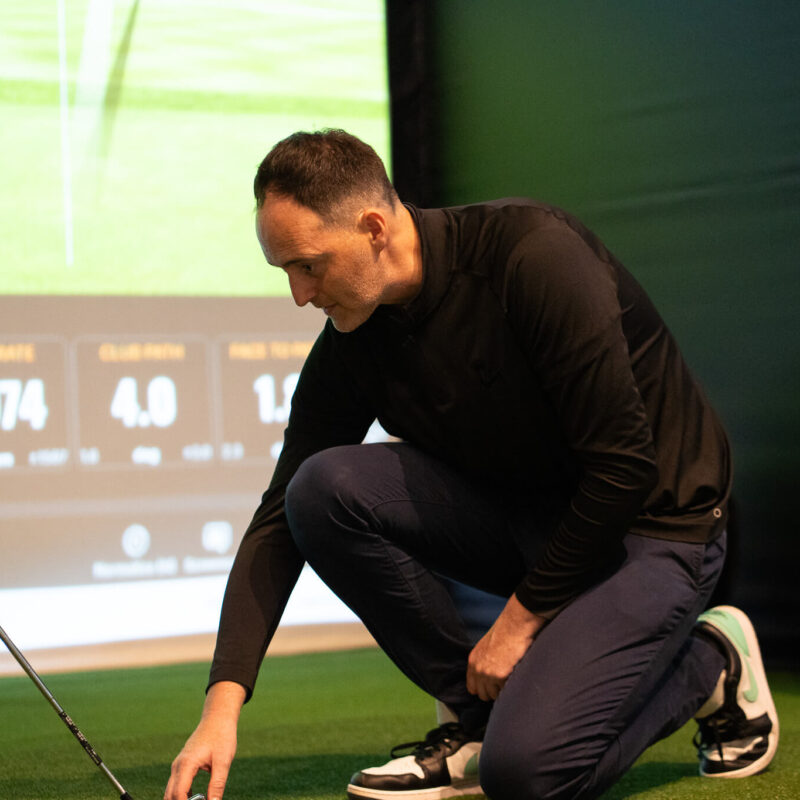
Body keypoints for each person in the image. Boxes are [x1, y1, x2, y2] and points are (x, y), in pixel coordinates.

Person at [164, 129, 778, 800]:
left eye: (309, 265)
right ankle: (475, 719)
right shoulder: (354, 336)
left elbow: (624, 469)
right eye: (284, 271)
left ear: (374, 228)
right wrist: (221, 709)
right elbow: (278, 521)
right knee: (318, 491)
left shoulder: (533, 256)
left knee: (526, 776)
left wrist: (518, 622)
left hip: (655, 526)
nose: (299, 295)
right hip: (533, 524)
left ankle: (710, 662)